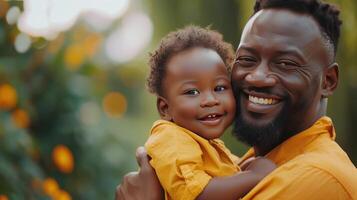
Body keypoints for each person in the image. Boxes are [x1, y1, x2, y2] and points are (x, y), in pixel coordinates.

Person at [116, 0, 357, 199]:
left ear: (328, 81)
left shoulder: (318, 178)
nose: (258, 77)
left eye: (285, 63)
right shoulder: (250, 162)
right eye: (247, 60)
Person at [144, 26, 276, 200]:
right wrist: (254, 176)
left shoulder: (209, 144)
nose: (210, 100)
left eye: (219, 88)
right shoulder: (170, 138)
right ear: (165, 108)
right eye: (192, 92)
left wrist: (245, 166)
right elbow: (198, 194)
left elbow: (225, 174)